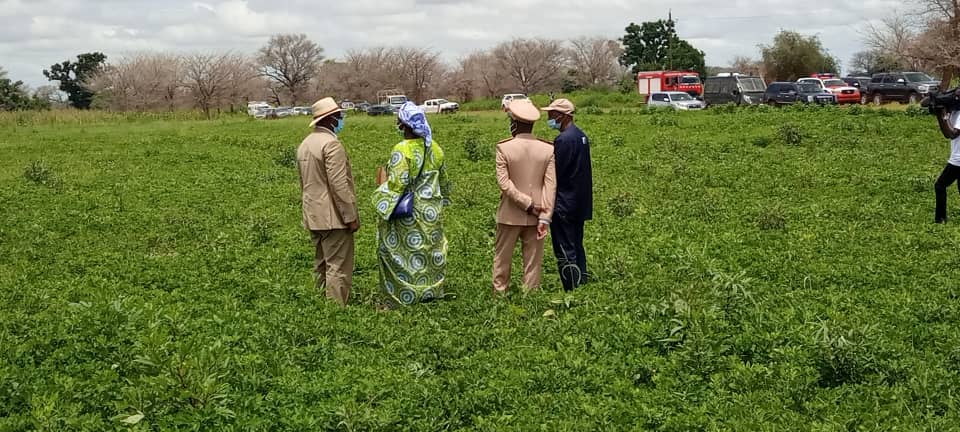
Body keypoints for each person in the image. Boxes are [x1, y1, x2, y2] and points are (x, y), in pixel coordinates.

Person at [372, 102, 450, 307]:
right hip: (432, 211)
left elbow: (398, 183)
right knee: (429, 251)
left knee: (404, 253)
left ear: (403, 125)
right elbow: (444, 182)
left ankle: (405, 295)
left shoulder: (402, 149)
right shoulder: (435, 148)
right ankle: (430, 290)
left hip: (411, 212)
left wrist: (379, 196)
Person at [296, 97, 359, 306]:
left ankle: (318, 306)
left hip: (313, 214)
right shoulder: (331, 144)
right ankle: (335, 311)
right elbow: (339, 186)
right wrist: (350, 217)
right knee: (338, 266)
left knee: (321, 263)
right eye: (339, 116)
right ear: (330, 119)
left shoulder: (305, 144)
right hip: (333, 217)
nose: (341, 119)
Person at [493, 99, 557, 295]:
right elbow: (550, 185)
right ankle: (531, 295)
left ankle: (500, 294)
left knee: (502, 258)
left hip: (510, 214)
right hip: (538, 214)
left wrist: (526, 204)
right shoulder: (548, 149)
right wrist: (544, 214)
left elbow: (505, 184)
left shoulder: (504, 148)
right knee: (533, 260)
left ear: (514, 123)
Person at [542, 98, 593, 291]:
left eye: (551, 114)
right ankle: (583, 284)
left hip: (564, 203)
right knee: (577, 245)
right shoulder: (580, 135)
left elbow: (556, 172)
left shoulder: (563, 140)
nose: (549, 117)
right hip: (580, 201)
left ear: (562, 116)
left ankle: (571, 289)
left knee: (564, 249)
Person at [934, 90, 960, 223]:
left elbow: (951, 134)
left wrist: (942, 114)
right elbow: (925, 103)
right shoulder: (954, 111)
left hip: (958, 160)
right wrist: (937, 100)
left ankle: (940, 219)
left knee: (940, 185)